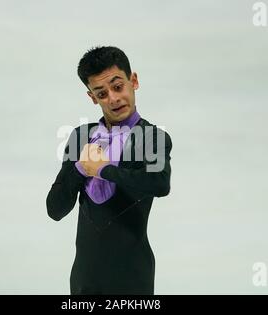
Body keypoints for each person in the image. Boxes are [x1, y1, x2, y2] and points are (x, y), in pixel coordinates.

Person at [46, 46, 173, 295]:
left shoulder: (152, 137)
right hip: (85, 278)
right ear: (92, 97)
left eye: (117, 87)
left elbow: (159, 184)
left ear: (133, 81)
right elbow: (55, 209)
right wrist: (81, 168)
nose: (113, 98)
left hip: (132, 277)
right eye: (102, 93)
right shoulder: (81, 137)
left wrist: (104, 169)